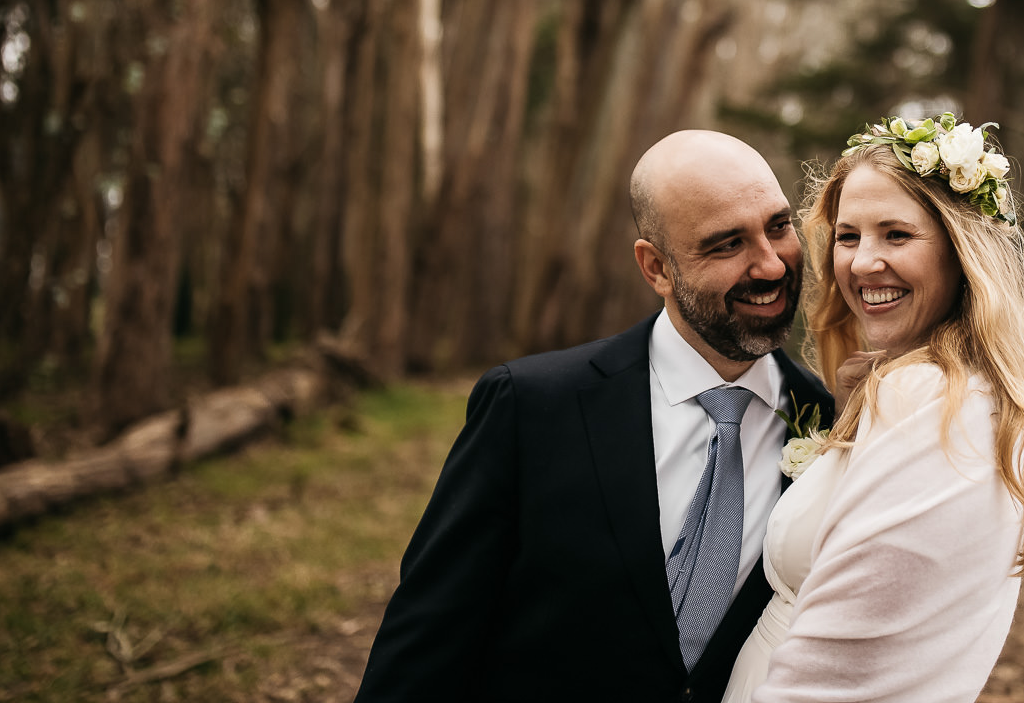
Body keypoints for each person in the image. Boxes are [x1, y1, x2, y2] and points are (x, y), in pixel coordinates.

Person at [354, 130, 834, 703]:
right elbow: (429, 632)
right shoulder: (530, 406)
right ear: (656, 268)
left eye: (777, 227)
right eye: (727, 244)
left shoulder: (836, 424)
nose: (771, 264)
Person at [722, 114, 1024, 703]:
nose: (864, 262)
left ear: (961, 250)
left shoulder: (932, 403)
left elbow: (841, 665)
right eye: (848, 236)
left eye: (896, 235)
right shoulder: (952, 391)